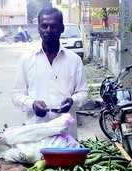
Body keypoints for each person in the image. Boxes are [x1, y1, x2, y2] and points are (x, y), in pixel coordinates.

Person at [11, 7, 87, 139]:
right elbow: (16, 94)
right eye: (44, 26)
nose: (48, 30)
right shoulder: (26, 59)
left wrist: (72, 101)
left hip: (67, 134)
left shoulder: (74, 60)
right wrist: (32, 104)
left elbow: (83, 92)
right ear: (38, 28)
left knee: (69, 160)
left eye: (53, 26)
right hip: (36, 134)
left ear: (62, 28)